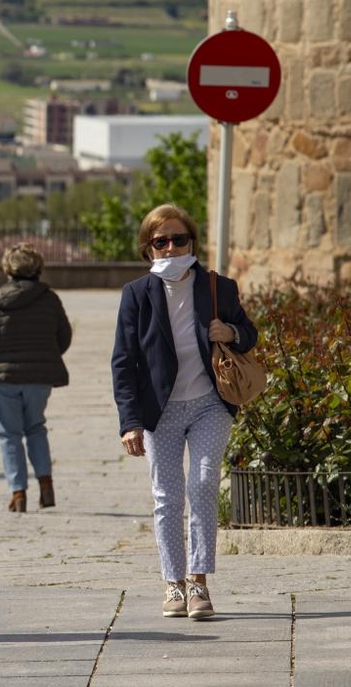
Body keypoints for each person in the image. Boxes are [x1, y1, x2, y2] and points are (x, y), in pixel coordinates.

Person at [111, 203, 258, 620]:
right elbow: (123, 361)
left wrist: (230, 332)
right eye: (162, 241)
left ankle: (199, 583)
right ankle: (173, 584)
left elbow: (249, 333)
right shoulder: (136, 295)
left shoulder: (218, 287)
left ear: (192, 242)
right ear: (148, 249)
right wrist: (130, 421)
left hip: (210, 404)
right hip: (161, 411)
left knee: (205, 484)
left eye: (180, 239)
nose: (172, 247)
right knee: (167, 497)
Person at [0, 242, 72, 513]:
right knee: (36, 427)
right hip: (39, 377)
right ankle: (46, 484)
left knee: (9, 434)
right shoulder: (50, 298)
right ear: (38, 268)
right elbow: (64, 337)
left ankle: (18, 493)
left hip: (4, 379)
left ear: (8, 269)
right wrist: (44, 353)